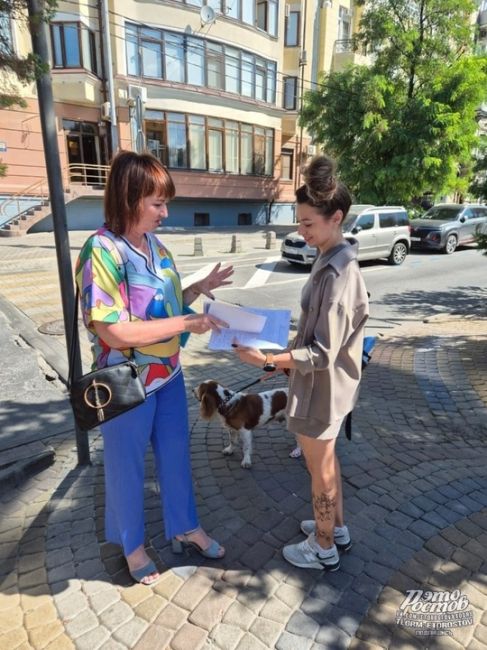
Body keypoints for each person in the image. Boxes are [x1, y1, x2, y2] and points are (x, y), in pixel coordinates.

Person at [75, 150, 233, 585]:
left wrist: (199, 288)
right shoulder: (101, 250)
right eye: (157, 203)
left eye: (166, 203)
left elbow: (164, 305)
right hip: (125, 385)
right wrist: (186, 322)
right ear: (129, 198)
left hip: (168, 376)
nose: (166, 212)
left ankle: (185, 526)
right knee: (125, 468)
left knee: (176, 456)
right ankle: (133, 547)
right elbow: (113, 331)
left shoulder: (156, 246)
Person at [234, 155, 369, 571]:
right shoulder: (329, 259)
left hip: (322, 389)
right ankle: (336, 529)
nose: (301, 231)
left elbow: (323, 351)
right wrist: (281, 356)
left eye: (308, 223)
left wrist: (269, 359)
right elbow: (315, 335)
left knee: (320, 469)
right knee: (325, 463)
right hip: (322, 385)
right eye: (299, 221)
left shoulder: (337, 271)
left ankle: (323, 546)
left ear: (336, 218)